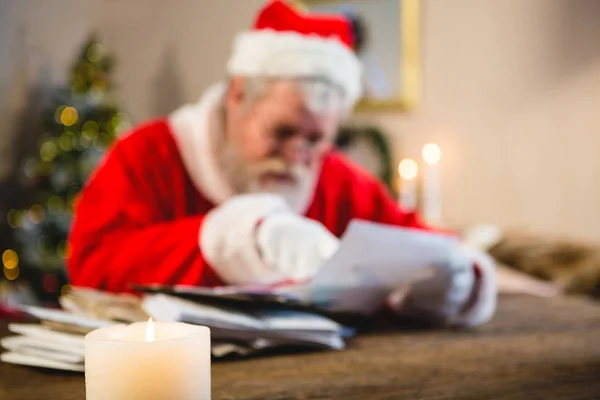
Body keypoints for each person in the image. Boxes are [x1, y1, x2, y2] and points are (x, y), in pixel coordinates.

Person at [67, 0, 496, 327]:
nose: (297, 157)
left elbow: (419, 239)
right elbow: (92, 265)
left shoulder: (336, 180)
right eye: (282, 132)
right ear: (238, 97)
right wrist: (234, 238)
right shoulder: (149, 156)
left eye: (316, 140)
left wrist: (461, 277)